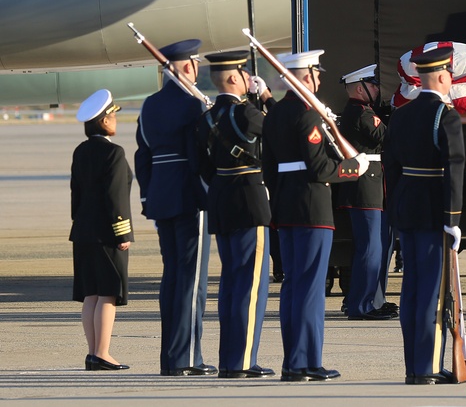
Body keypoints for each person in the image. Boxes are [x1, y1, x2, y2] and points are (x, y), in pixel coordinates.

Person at [261, 49, 369, 383]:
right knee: (308, 288)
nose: (319, 79)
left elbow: (269, 169)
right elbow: (320, 166)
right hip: (312, 208)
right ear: (305, 76)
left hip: (286, 207)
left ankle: (293, 360)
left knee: (294, 286)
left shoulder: (275, 114)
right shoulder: (308, 116)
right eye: (316, 73)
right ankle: (306, 363)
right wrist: (353, 168)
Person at [382, 44, 466, 385]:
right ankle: (427, 366)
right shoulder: (445, 116)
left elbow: (391, 166)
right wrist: (453, 219)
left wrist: (396, 208)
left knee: (412, 289)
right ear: (444, 77)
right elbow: (454, 168)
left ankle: (413, 365)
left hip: (407, 208)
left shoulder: (401, 114)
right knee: (432, 291)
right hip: (434, 212)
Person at [134, 39, 216, 377]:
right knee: (191, 281)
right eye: (196, 64)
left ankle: (172, 358)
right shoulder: (193, 105)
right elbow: (201, 153)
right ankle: (186, 358)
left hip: (160, 197)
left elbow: (143, 155)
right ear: (187, 67)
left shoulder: (149, 105)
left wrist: (147, 197)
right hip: (189, 196)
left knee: (172, 278)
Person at [195, 51, 275, 378]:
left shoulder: (207, 118)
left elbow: (202, 166)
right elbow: (280, 131)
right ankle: (241, 360)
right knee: (250, 285)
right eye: (244, 73)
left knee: (230, 284)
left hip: (221, 199)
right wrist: (265, 97)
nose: (247, 78)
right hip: (248, 200)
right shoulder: (247, 113)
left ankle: (230, 357)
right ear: (233, 78)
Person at [71, 89, 133, 371]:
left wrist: (80, 224)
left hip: (83, 231)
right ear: (104, 121)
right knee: (108, 292)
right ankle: (102, 353)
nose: (115, 121)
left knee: (91, 294)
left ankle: (92, 353)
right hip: (107, 233)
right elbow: (116, 196)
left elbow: (76, 195)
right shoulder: (113, 152)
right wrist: (122, 232)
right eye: (112, 116)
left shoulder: (81, 151)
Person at [337, 64, 397, 321]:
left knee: (375, 247)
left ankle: (371, 299)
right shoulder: (361, 114)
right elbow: (387, 137)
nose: (376, 89)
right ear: (360, 88)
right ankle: (362, 304)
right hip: (364, 188)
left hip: (369, 187)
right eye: (372, 85)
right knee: (370, 248)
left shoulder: (361, 112)